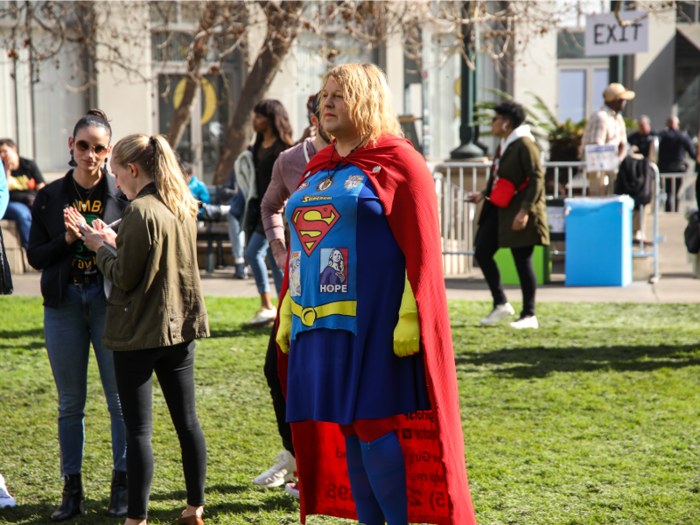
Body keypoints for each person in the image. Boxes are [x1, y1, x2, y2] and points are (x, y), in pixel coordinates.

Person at [275, 63, 477, 525]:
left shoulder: (399, 161)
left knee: (371, 423)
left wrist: (409, 315)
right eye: (324, 95)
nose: (326, 103)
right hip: (320, 322)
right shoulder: (318, 164)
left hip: (377, 320)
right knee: (347, 427)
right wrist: (288, 306)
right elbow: (304, 247)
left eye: (339, 96)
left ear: (366, 101)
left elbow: (423, 249)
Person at [80, 134, 209, 525]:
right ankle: (194, 509)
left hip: (138, 332)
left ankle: (136, 519)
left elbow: (124, 274)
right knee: (187, 422)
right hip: (178, 329)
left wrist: (96, 245)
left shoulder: (139, 210)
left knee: (138, 432)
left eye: (117, 174)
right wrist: (115, 240)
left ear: (133, 170)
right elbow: (156, 258)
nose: (116, 183)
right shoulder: (182, 203)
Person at [26, 109, 129, 521]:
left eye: (98, 147)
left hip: (107, 303)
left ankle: (121, 487)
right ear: (71, 146)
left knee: (118, 401)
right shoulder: (51, 196)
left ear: (108, 151)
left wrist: (108, 241)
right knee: (71, 403)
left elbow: (134, 252)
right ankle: (73, 492)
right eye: (83, 145)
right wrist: (68, 239)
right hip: (64, 304)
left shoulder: (122, 195)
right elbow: (36, 257)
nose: (90, 154)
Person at [254, 92, 330, 497]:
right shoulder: (290, 160)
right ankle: (295, 455)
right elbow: (269, 206)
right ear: (313, 117)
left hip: (344, 291)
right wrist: (281, 250)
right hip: (297, 288)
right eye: (327, 108)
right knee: (277, 369)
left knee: (327, 377)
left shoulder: (362, 159)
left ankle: (324, 469)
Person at [469, 101, 549, 329]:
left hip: (519, 211)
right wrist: (483, 194)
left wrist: (525, 211)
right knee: (482, 251)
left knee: (522, 261)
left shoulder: (525, 144)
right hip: (499, 209)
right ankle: (501, 304)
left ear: (506, 123)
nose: (492, 123)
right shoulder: (505, 144)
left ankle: (529, 315)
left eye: (495, 119)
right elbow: (503, 179)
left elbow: (537, 179)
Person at [245, 99, 293, 326]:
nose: (254, 120)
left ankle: (276, 306)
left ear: (271, 120)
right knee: (263, 257)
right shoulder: (255, 147)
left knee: (263, 257)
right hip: (261, 212)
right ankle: (273, 306)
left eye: (259, 116)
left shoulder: (284, 149)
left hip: (280, 213)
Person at [580, 83, 634, 195]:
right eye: (623, 100)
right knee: (598, 200)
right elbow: (596, 149)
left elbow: (623, 143)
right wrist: (610, 162)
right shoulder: (601, 117)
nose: (625, 103)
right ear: (616, 100)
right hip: (598, 170)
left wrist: (617, 161)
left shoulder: (618, 118)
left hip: (612, 168)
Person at [0, 138, 45, 249]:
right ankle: (31, 248)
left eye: (5, 151)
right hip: (12, 203)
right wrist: (7, 170)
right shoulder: (2, 168)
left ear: (14, 149)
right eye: (0, 153)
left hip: (30, 201)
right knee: (23, 215)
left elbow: (41, 187)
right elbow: (5, 190)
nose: (2, 155)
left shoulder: (28, 164)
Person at [657, 116, 698, 212]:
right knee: (676, 193)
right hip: (679, 169)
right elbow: (693, 155)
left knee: (668, 192)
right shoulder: (683, 136)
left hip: (664, 169)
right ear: (678, 124)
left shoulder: (662, 136)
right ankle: (675, 211)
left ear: (667, 124)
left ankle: (668, 211)